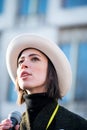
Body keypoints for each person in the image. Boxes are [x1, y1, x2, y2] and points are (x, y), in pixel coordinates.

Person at [0, 34, 87, 130]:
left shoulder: (78, 125)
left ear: (51, 73)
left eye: (34, 59)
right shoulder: (16, 126)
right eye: (21, 61)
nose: (23, 64)